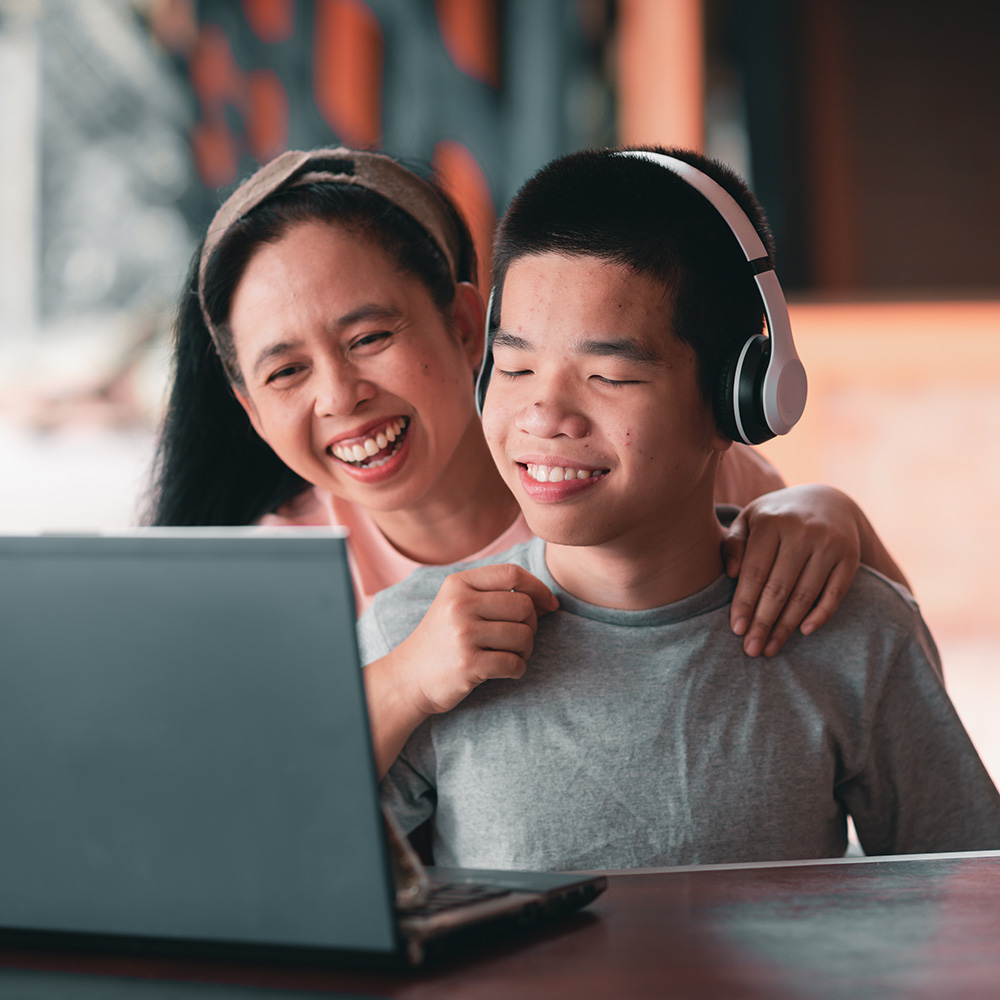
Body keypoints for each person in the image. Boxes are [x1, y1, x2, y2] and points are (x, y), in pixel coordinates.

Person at [366, 146, 1000, 870]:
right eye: (512, 368)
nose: (543, 413)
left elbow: (973, 900)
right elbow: (269, 865)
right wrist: (401, 687)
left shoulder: (847, 630)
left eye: (608, 375)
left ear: (744, 398)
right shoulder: (416, 641)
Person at [147, 146, 906, 674]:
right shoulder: (263, 584)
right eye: (285, 371)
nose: (341, 397)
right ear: (248, 409)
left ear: (465, 324)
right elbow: (258, 816)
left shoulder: (661, 473)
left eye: (371, 336)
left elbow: (892, 682)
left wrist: (836, 519)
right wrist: (403, 681)